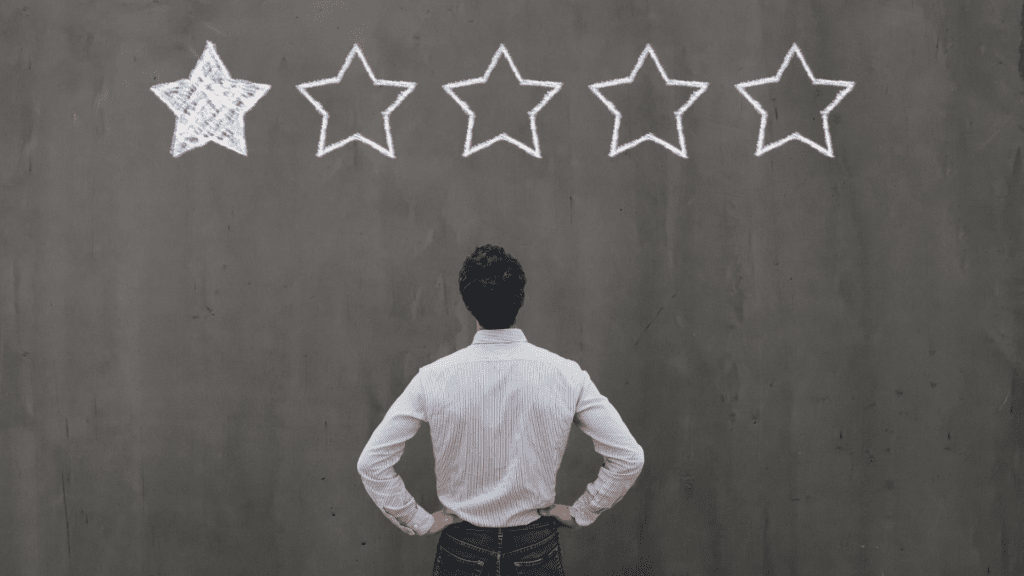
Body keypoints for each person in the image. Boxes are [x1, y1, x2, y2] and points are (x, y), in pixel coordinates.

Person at [356, 244, 645, 575]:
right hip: (535, 546)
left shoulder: (434, 378)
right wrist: (583, 511)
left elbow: (371, 463)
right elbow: (629, 458)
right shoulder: (566, 375)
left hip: (462, 547)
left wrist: (418, 520)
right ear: (519, 298)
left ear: (468, 302)